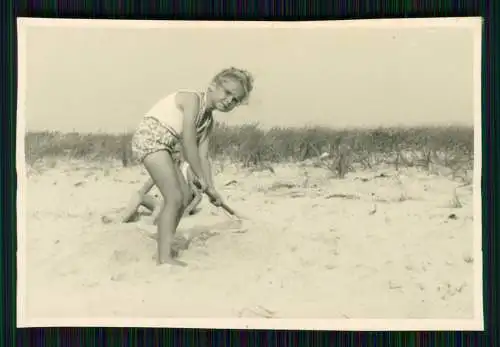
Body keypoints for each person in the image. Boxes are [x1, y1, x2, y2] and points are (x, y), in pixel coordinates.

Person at [130, 67, 254, 266]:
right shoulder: (192, 101)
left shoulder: (207, 121)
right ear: (213, 85)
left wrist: (211, 187)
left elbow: (203, 156)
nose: (230, 101)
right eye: (228, 93)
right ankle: (164, 257)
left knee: (186, 197)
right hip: (150, 139)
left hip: (165, 146)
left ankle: (166, 241)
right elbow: (188, 144)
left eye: (236, 100)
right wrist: (200, 178)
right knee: (174, 197)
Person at [118, 160, 203, 224]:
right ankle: (121, 219)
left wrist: (187, 211)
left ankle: (148, 224)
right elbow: (145, 188)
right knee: (138, 195)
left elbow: (198, 196)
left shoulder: (186, 169)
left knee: (161, 207)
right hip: (161, 203)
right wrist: (137, 200)